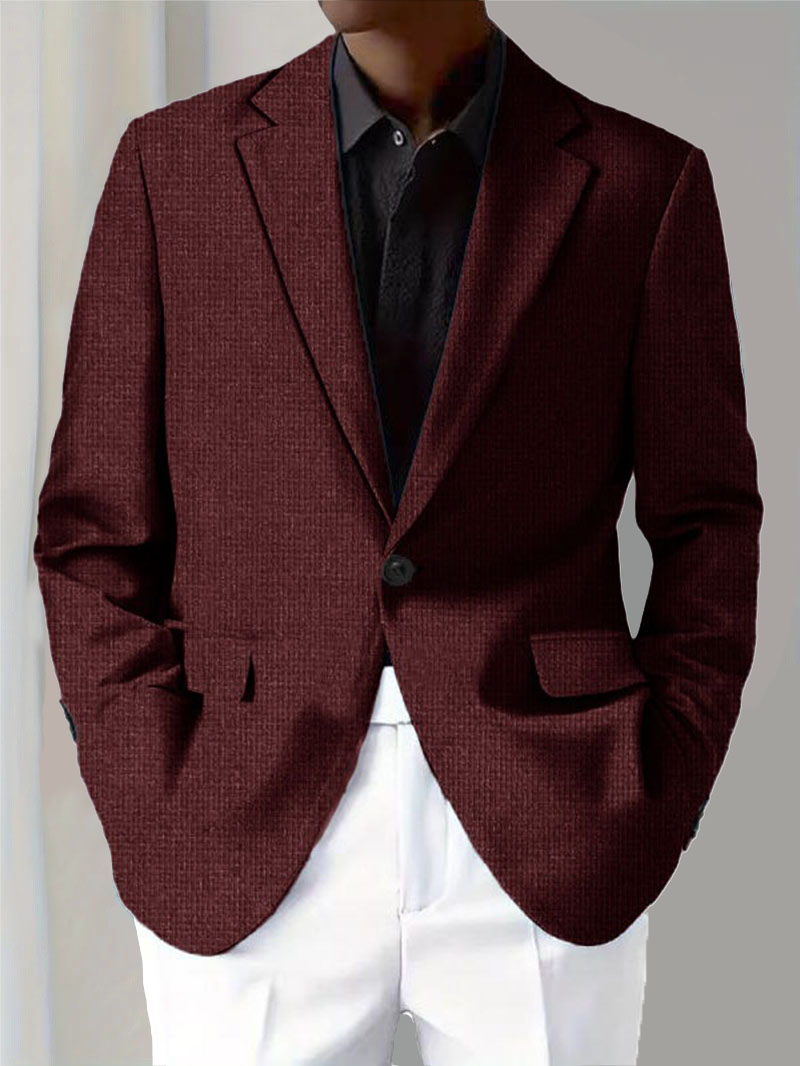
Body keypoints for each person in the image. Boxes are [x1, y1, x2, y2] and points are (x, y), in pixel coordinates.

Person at [33, 1, 763, 1063]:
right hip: (236, 815)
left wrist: (656, 785)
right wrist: (146, 787)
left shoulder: (641, 183)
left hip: (548, 816)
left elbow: (708, 523)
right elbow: (94, 527)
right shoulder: (173, 167)